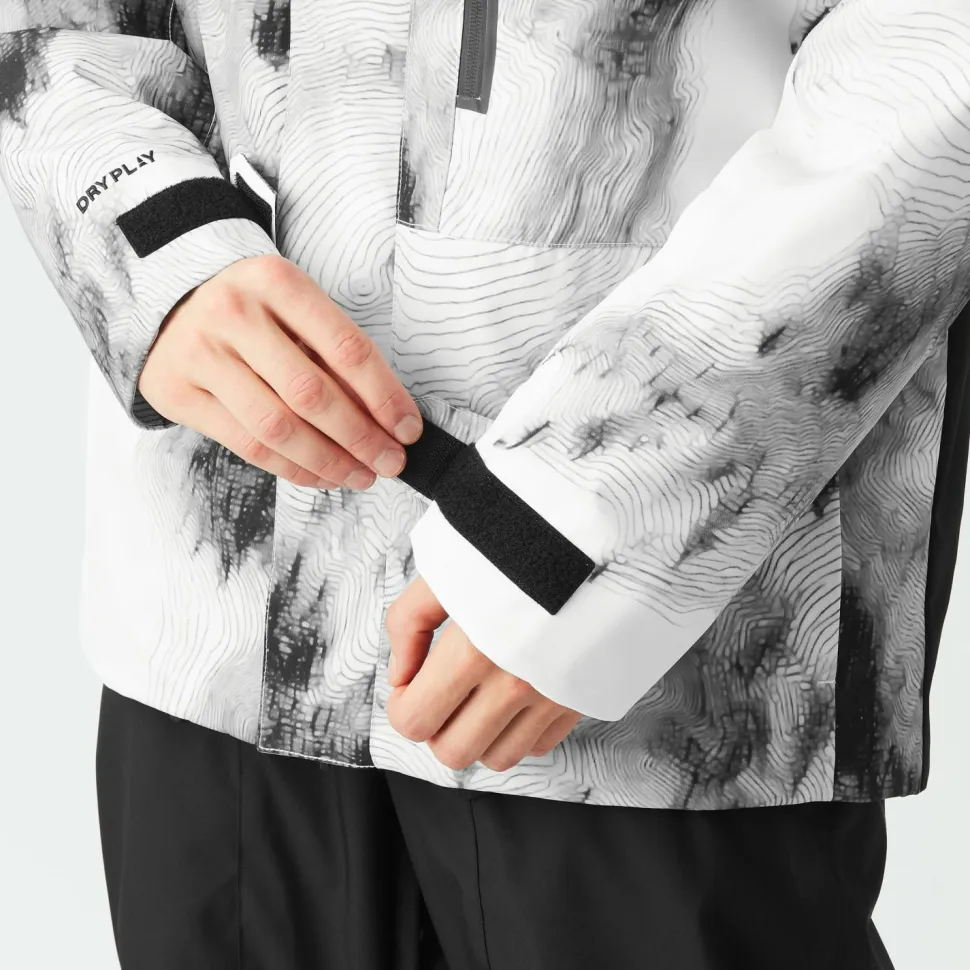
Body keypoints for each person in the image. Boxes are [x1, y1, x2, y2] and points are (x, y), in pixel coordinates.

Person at [1, 0, 968, 966]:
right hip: (217, 606)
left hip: (664, 667)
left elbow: (936, 72)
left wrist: (606, 501)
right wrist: (150, 242)